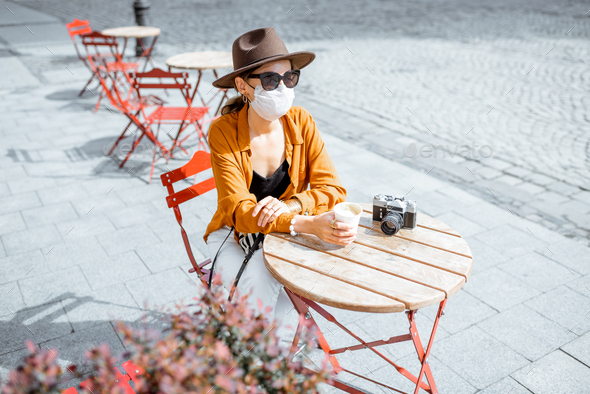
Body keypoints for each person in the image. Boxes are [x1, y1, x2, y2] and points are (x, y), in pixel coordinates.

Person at [204, 27, 356, 340]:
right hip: (234, 235)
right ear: (243, 86)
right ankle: (259, 358)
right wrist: (304, 223)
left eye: (289, 78)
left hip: (285, 232)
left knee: (329, 264)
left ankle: (261, 353)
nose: (283, 87)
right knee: (263, 277)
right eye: (271, 80)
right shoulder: (223, 132)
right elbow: (238, 210)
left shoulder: (301, 121)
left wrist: (291, 206)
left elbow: (333, 189)